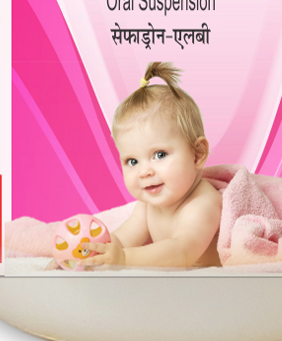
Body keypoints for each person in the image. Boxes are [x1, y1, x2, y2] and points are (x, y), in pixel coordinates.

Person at [79, 61, 221, 269]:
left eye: (160, 155)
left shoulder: (203, 202)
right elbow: (121, 241)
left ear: (197, 154)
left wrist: (123, 259)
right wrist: (86, 254)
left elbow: (181, 251)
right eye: (132, 161)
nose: (144, 172)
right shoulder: (147, 206)